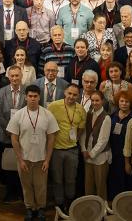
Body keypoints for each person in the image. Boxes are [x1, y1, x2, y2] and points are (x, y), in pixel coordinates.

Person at [7, 84, 59, 221]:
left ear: (39, 97)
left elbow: (51, 139)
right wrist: (20, 160)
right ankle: (29, 208)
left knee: (41, 186)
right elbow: (14, 139)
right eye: (30, 96)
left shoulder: (47, 114)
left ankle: (40, 208)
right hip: (24, 159)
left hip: (41, 158)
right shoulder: (19, 115)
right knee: (26, 185)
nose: (33, 99)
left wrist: (47, 160)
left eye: (35, 96)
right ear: (25, 97)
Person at [48, 83, 85, 211]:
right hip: (56, 150)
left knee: (71, 179)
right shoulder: (53, 106)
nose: (71, 96)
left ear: (78, 96)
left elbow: (81, 129)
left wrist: (74, 139)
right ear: (64, 93)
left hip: (72, 150)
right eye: (69, 93)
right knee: (57, 179)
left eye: (75, 95)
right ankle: (59, 204)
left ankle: (70, 203)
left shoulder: (81, 109)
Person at [82, 91, 111, 199]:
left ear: (102, 101)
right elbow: (84, 133)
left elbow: (103, 140)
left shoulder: (106, 117)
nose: (94, 103)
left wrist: (91, 154)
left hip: (100, 156)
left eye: (97, 100)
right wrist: (84, 150)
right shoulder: (88, 114)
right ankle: (90, 207)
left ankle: (102, 207)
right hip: (87, 154)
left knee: (100, 186)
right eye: (92, 100)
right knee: (88, 185)